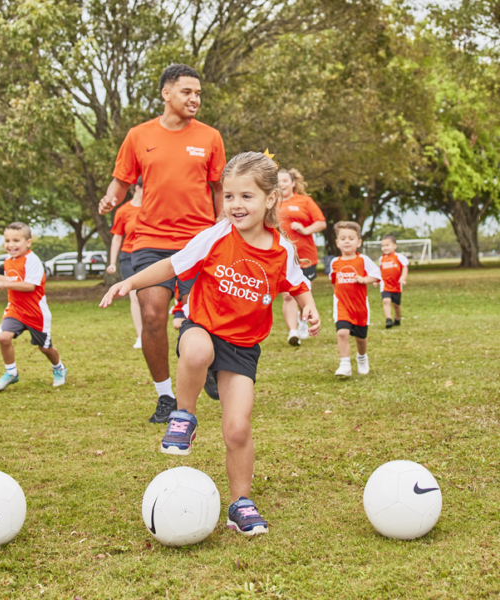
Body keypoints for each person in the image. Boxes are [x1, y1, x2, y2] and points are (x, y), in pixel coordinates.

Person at [100, 152, 321, 536]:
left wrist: (310, 309)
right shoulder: (216, 235)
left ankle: (241, 503)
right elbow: (171, 265)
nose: (235, 205)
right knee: (198, 351)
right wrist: (130, 283)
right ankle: (183, 416)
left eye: (246, 197)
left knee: (237, 428)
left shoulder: (281, 249)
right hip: (202, 325)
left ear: (270, 199)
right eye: (229, 196)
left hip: (242, 347)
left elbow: (297, 283)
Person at [99, 64, 226, 423]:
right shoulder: (139, 136)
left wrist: (220, 225)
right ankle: (166, 397)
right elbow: (120, 182)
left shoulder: (210, 137)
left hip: (198, 242)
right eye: (187, 92)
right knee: (153, 315)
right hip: (151, 240)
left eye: (199, 93)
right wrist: (111, 199)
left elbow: (219, 188)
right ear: (166, 93)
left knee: (203, 317)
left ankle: (211, 366)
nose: (195, 99)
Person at [0, 222, 67, 391]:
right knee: (3, 337)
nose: (11, 245)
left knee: (45, 348)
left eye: (16, 240)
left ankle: (58, 368)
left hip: (35, 313)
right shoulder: (8, 261)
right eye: (7, 241)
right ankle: (11, 373)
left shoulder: (32, 261)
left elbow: (29, 286)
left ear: (28, 242)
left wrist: (3, 282)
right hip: (15, 310)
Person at [276, 168, 326, 346]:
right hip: (282, 257)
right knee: (288, 295)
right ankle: (293, 331)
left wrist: (305, 230)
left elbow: (321, 222)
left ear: (293, 183)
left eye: (284, 181)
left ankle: (303, 321)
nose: (281, 184)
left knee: (304, 292)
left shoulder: (305, 201)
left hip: (306, 256)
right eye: (278, 181)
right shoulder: (270, 202)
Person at [329, 221, 381, 377]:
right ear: (337, 243)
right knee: (342, 333)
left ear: (359, 242)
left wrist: (365, 280)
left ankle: (362, 357)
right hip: (342, 305)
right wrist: (338, 295)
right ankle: (345, 364)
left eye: (351, 238)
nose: (347, 241)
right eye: (343, 238)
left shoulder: (363, 260)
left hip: (359, 307)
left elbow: (377, 275)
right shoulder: (334, 262)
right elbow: (333, 282)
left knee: (360, 338)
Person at [106, 176, 143, 348]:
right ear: (137, 188)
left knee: (149, 294)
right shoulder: (123, 211)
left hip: (147, 256)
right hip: (128, 256)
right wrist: (112, 262)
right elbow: (116, 238)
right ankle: (141, 336)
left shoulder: (153, 210)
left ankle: (152, 331)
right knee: (134, 294)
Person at [378, 234, 408, 328]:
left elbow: (405, 267)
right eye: (383, 246)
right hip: (385, 285)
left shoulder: (399, 257)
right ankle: (388, 319)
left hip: (396, 285)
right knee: (386, 300)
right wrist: (376, 280)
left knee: (396, 305)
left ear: (394, 246)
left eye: (387, 245)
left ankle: (397, 318)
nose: (385, 248)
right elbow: (380, 270)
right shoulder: (381, 259)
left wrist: (403, 277)